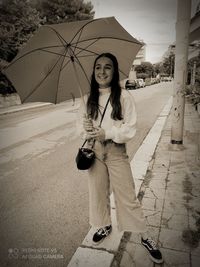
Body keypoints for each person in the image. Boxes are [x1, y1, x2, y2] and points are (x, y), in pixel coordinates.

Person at [77, 53, 163, 264]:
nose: (102, 71)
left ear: (114, 72)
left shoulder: (124, 97)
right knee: (97, 193)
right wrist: (86, 129)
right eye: (98, 67)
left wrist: (106, 133)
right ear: (93, 70)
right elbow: (80, 128)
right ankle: (104, 225)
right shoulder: (88, 98)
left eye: (107, 67)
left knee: (127, 196)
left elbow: (130, 128)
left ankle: (144, 235)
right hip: (94, 152)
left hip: (116, 151)